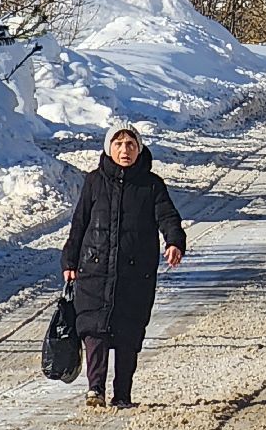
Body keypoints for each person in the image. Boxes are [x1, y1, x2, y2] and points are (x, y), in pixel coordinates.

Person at [61, 120, 186, 408]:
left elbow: (168, 217)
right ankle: (95, 390)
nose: (124, 150)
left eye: (130, 144)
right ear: (109, 148)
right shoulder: (94, 182)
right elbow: (79, 223)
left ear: (139, 149)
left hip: (135, 272)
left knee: (128, 332)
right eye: (118, 144)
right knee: (94, 328)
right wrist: (69, 259)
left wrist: (174, 241)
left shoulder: (151, 185)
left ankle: (123, 394)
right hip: (94, 268)